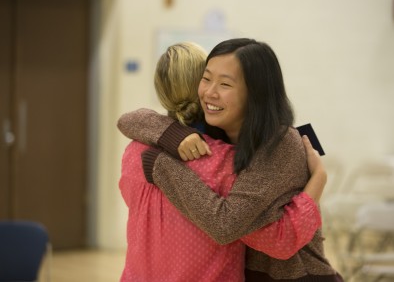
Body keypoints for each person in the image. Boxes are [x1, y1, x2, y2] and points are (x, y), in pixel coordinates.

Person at [118, 38, 342, 281]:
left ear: (255, 94)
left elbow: (229, 226)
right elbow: (130, 119)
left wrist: (160, 164)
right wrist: (173, 135)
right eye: (205, 79)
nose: (209, 92)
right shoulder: (218, 135)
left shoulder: (280, 142)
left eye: (225, 84)